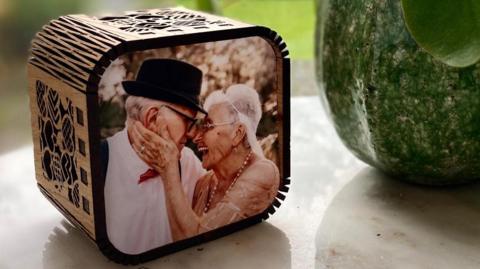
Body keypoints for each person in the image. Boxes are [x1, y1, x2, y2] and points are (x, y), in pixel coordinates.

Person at [129, 84, 280, 241]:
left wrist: (168, 168)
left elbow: (197, 242)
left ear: (237, 133)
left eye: (207, 126)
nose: (196, 138)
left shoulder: (263, 172)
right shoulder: (203, 183)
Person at [101, 59, 207, 254]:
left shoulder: (188, 161)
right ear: (152, 118)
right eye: (187, 121)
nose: (192, 133)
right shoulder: (101, 162)